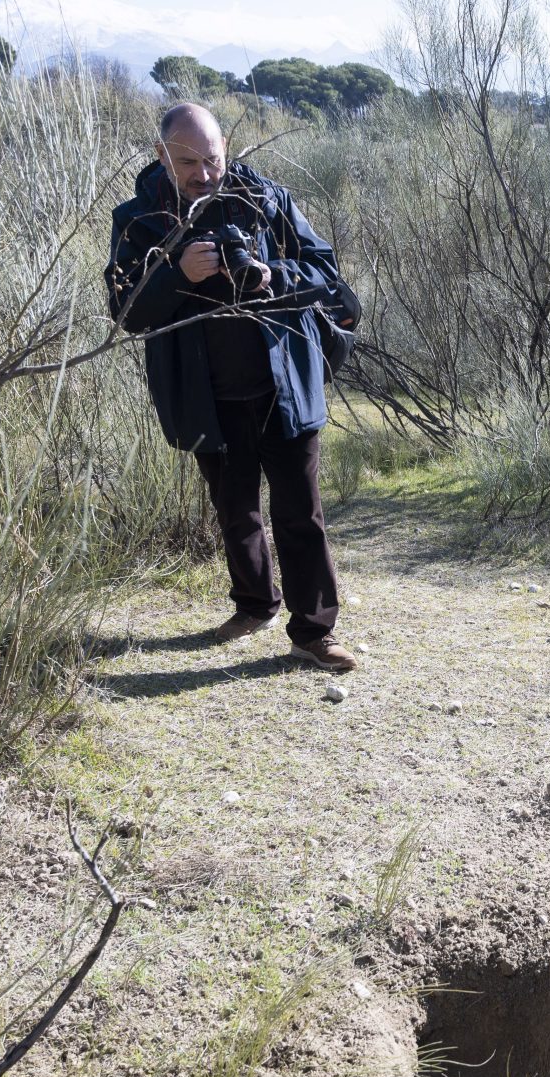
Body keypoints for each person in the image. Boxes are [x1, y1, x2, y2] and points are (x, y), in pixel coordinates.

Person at [105, 102, 359, 672]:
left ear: (227, 150)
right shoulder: (139, 220)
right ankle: (254, 604)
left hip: (284, 386)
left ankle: (314, 632)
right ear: (161, 156)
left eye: (212, 159)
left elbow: (328, 278)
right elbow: (126, 311)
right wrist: (175, 275)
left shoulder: (267, 201)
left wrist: (274, 274)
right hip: (206, 396)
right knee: (235, 510)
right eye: (188, 161)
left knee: (301, 513)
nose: (203, 173)